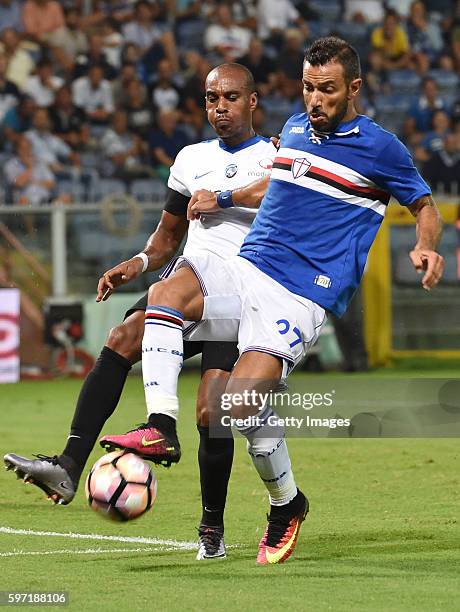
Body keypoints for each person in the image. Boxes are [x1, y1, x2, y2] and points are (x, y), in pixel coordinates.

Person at [99, 37, 444, 565]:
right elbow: (278, 180)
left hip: (301, 292)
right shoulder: (298, 128)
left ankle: (287, 502)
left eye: (326, 90)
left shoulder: (380, 148)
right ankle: (160, 426)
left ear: (353, 88)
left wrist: (425, 247)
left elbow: (425, 207)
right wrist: (229, 197)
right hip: (249, 265)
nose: (314, 100)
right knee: (164, 294)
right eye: (307, 88)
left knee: (236, 405)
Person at [4, 63, 276, 561]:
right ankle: (68, 465)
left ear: (253, 101)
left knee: (211, 412)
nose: (220, 107)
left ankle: (210, 529)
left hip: (240, 293)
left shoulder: (274, 155)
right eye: (212, 98)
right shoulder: (191, 158)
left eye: (231, 98)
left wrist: (222, 198)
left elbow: (282, 198)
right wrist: (139, 261)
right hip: (187, 278)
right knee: (120, 340)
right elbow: (168, 234)